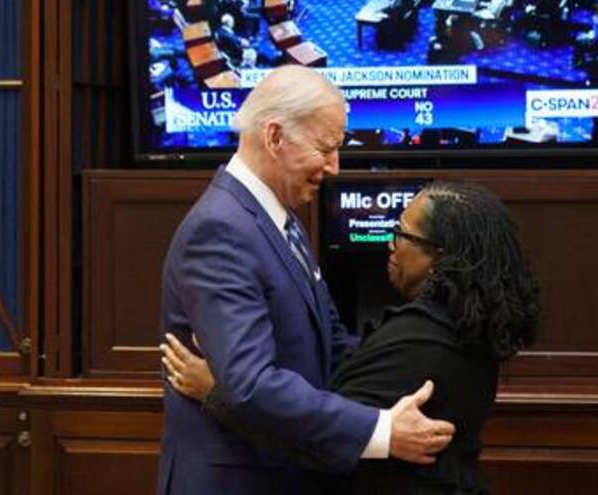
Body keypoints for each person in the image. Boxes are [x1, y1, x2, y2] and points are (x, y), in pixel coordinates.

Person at [158, 67, 456, 495]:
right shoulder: (219, 230)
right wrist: (382, 431)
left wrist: (427, 367)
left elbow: (329, 345)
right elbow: (251, 386)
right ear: (275, 137)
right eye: (325, 148)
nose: (334, 167)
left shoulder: (280, 221)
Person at [164, 181, 541, 495]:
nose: (390, 244)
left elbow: (315, 445)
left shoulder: (420, 342)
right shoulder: (457, 327)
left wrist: (216, 392)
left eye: (403, 234)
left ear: (439, 257)